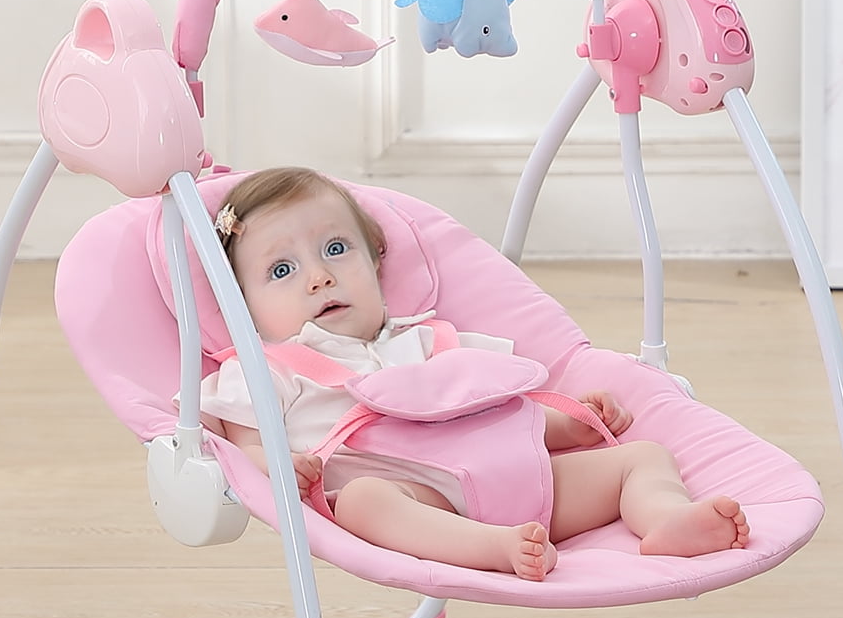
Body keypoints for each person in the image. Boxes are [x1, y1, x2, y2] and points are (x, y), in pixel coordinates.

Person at [202, 166, 748, 581]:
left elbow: (499, 411)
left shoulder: (432, 339)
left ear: (376, 261)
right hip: (424, 502)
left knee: (643, 457)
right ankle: (493, 549)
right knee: (365, 501)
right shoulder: (267, 368)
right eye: (282, 269)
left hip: (526, 483)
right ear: (242, 304)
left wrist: (570, 428)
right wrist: (278, 465)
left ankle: (665, 517)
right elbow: (245, 445)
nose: (319, 277)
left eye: (337, 249)